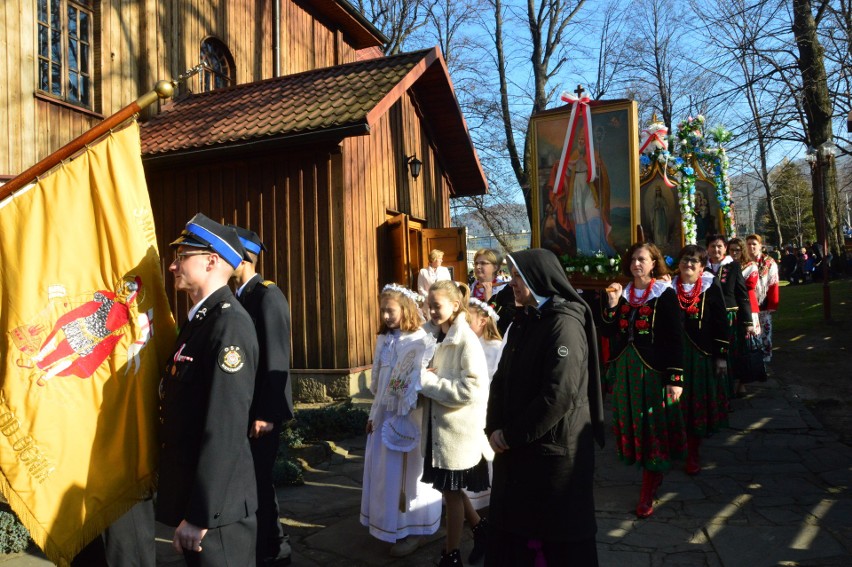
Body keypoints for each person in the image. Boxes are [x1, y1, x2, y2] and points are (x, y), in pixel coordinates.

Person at [485, 248, 605, 567]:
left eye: (517, 277)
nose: (511, 283)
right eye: (510, 276)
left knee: (552, 540)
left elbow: (558, 394)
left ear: (537, 279)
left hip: (550, 452)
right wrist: (492, 428)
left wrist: (510, 435)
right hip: (521, 449)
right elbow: (501, 377)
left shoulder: (563, 324)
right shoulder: (525, 318)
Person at [156, 213, 259, 567]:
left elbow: (225, 428)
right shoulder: (200, 320)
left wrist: (201, 514)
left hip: (218, 512)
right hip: (199, 501)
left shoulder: (228, 325)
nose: (172, 266)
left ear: (211, 260)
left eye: (182, 256)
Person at [601, 242, 686, 519]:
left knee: (652, 426)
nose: (637, 263)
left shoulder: (664, 293)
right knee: (632, 425)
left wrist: (675, 378)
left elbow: (675, 337)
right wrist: (613, 304)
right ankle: (651, 473)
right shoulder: (621, 293)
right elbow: (609, 330)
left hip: (652, 372)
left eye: (643, 259)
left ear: (653, 264)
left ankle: (648, 488)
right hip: (625, 371)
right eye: (634, 259)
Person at [360, 283, 442, 557]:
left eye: (390, 311)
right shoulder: (384, 339)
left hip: (408, 417)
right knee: (385, 473)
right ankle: (388, 524)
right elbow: (379, 384)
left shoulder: (419, 340)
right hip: (384, 413)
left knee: (407, 475)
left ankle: (412, 528)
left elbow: (423, 378)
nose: (385, 316)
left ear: (406, 310)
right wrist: (374, 414)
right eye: (382, 311)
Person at [231, 226, 293, 567]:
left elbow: (275, 359)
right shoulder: (242, 295)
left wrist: (268, 413)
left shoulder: (267, 295)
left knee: (259, 481)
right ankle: (270, 542)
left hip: (262, 410)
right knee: (256, 481)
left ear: (242, 259)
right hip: (249, 407)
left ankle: (272, 548)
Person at [421, 280, 492, 566]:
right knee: (449, 488)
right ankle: (480, 528)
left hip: (456, 431)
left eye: (437, 306)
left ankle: (450, 556)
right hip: (437, 428)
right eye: (430, 305)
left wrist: (428, 382)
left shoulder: (465, 338)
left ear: (454, 305)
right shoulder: (430, 334)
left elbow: (471, 389)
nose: (432, 311)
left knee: (451, 494)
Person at [672, 245, 729, 475]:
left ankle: (693, 452)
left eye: (694, 261)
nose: (689, 264)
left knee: (695, 405)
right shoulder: (666, 287)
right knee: (675, 406)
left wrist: (721, 357)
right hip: (674, 355)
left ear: (702, 266)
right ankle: (676, 445)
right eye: (685, 260)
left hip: (699, 356)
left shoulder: (710, 287)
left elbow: (721, 322)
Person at [462, 297, 503, 515]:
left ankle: (486, 501)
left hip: (484, 408)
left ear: (484, 320)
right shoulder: (466, 344)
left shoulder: (495, 347)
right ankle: (469, 502)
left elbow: (494, 379)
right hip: (466, 408)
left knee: (484, 457)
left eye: (469, 320)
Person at [705, 234, 754, 398]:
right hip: (708, 318)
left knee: (730, 353)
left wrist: (748, 321)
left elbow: (742, 295)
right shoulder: (702, 268)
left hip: (730, 316)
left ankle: (731, 388)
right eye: (712, 246)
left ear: (725, 248)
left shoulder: (733, 267)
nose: (716, 250)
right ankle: (717, 390)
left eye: (719, 246)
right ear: (707, 249)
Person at [729, 238, 763, 394]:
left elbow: (749, 286)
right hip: (730, 309)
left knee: (747, 345)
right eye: (732, 250)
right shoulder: (725, 266)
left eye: (738, 250)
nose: (735, 253)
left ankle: (743, 382)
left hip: (747, 307)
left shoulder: (750, 266)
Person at [746, 234, 779, 364]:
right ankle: (753, 354)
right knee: (751, 330)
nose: (751, 247)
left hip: (763, 301)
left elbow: (773, 283)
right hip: (748, 302)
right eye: (749, 244)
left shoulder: (768, 262)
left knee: (765, 329)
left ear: (760, 246)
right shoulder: (743, 261)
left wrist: (772, 304)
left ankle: (766, 354)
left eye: (754, 244)